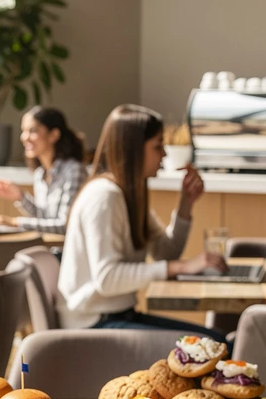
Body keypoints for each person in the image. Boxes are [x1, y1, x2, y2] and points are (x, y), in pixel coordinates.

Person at [57, 103, 228, 335]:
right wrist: (181, 267)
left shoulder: (128, 194)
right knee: (216, 345)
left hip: (117, 316)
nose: (165, 154)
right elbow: (107, 278)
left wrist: (186, 203)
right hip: (93, 325)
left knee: (217, 342)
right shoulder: (104, 197)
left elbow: (166, 253)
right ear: (134, 149)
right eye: (158, 146)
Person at [0, 106, 86, 233]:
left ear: (54, 135)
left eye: (32, 131)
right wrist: (20, 197)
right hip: (46, 247)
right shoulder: (40, 174)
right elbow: (45, 218)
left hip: (64, 251)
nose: (24, 137)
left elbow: (64, 225)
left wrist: (14, 222)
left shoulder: (73, 171)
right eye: (23, 131)